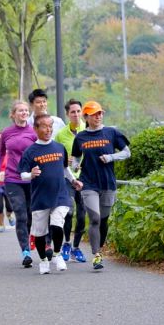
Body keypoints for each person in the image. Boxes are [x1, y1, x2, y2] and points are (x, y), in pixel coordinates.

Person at [71, 101, 131, 270]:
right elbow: (76, 157)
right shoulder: (80, 137)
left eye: (100, 113)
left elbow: (127, 152)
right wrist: (75, 166)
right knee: (95, 218)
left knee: (103, 219)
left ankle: (100, 248)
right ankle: (96, 255)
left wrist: (111, 157)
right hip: (88, 183)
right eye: (94, 114)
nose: (98, 116)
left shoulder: (111, 132)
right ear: (86, 117)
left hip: (107, 182)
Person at [19, 114, 82, 274]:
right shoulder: (30, 151)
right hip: (40, 197)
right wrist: (31, 174)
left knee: (57, 225)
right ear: (36, 129)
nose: (48, 129)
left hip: (60, 195)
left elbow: (65, 169)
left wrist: (74, 181)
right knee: (40, 233)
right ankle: (43, 260)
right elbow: (22, 174)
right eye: (44, 126)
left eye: (50, 126)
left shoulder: (59, 148)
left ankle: (57, 254)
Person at [0, 101, 38, 268]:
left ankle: (30, 238)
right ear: (13, 114)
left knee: (30, 214)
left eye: (26, 110)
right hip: (12, 179)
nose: (24, 113)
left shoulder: (33, 132)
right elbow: (0, 153)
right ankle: (25, 251)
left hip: (31, 178)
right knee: (20, 214)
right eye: (20, 110)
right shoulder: (7, 133)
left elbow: (39, 153)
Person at [54, 99, 88, 263]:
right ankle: (66, 244)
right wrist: (63, 160)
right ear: (67, 115)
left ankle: (76, 247)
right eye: (72, 112)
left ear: (82, 113)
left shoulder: (88, 130)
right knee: (68, 212)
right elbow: (56, 156)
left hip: (86, 178)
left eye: (78, 111)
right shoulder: (61, 135)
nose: (76, 114)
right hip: (67, 178)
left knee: (82, 215)